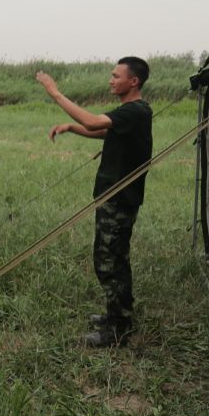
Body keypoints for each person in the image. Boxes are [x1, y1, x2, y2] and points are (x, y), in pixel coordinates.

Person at [38, 57, 153, 348]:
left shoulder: (135, 110)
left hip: (119, 198)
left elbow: (93, 120)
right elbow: (103, 130)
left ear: (133, 81)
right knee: (114, 258)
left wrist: (55, 93)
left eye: (116, 76)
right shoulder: (131, 112)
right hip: (114, 195)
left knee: (109, 262)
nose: (111, 80)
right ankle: (118, 314)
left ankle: (118, 328)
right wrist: (71, 128)